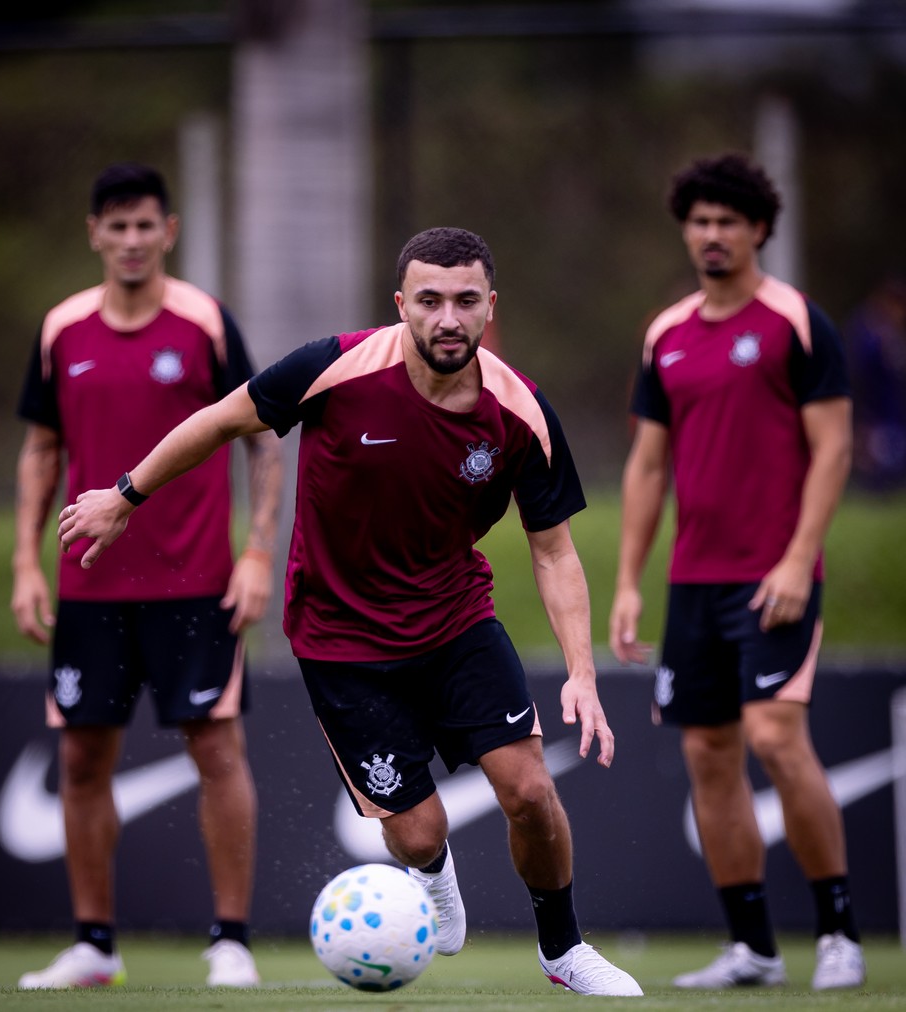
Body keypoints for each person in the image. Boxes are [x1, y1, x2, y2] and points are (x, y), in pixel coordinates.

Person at [57, 226, 644, 998]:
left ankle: (563, 950)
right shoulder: (332, 368)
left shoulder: (520, 411)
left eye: (465, 301)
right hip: (341, 641)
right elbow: (220, 420)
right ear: (401, 304)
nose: (447, 318)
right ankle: (433, 876)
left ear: (489, 306)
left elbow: (554, 552)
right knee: (419, 833)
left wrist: (581, 672)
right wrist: (125, 495)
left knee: (530, 789)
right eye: (429, 300)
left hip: (457, 620)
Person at [11, 163, 283, 989]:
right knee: (81, 760)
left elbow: (262, 440)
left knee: (218, 749)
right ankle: (94, 945)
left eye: (144, 226)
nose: (131, 241)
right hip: (88, 589)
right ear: (94, 233)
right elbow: (41, 451)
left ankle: (230, 941)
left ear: (169, 232)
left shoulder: (205, 324)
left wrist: (258, 551)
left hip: (197, 583)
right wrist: (26, 561)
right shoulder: (61, 330)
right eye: (116, 225)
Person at [609, 153, 865, 991]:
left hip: (774, 576)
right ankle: (753, 948)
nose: (711, 235)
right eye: (699, 221)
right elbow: (648, 466)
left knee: (775, 738)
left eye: (728, 221)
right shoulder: (666, 334)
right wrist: (629, 582)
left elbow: (834, 448)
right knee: (709, 754)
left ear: (759, 229)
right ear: (685, 230)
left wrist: (797, 558)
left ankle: (838, 934)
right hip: (694, 584)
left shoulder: (796, 322)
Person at [843, 272, 906, 491]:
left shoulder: (889, 334)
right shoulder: (867, 335)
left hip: (891, 416)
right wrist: (861, 422)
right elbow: (858, 380)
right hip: (873, 418)